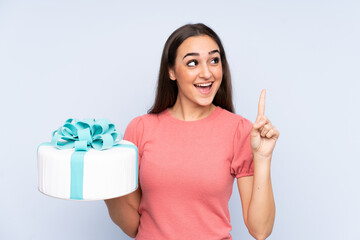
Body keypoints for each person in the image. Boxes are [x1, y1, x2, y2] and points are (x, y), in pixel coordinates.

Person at [104, 23, 280, 240]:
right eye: (192, 63)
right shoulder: (140, 129)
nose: (206, 73)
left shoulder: (239, 130)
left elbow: (260, 230)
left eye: (214, 60)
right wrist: (105, 185)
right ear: (171, 71)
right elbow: (134, 227)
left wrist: (263, 157)